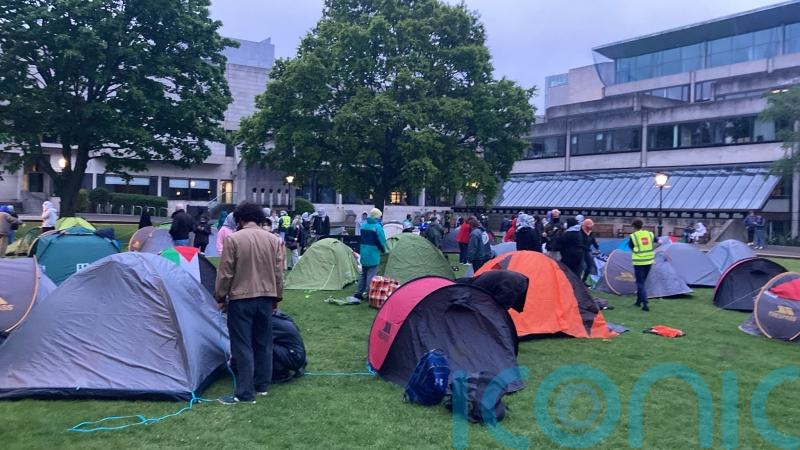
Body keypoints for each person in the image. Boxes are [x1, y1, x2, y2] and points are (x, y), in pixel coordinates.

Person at [215, 202, 285, 404]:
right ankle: (262, 384)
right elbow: (279, 273)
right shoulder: (274, 240)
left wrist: (220, 296)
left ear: (240, 219)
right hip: (266, 298)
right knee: (263, 342)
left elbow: (225, 273)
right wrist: (276, 297)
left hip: (240, 299)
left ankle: (245, 393)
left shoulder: (233, 240)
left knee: (242, 345)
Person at [353, 208, 387, 301]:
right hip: (373, 253)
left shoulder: (364, 225)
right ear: (377, 216)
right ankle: (369, 294)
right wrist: (384, 250)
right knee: (371, 276)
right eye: (380, 216)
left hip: (364, 252)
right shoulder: (377, 226)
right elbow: (381, 240)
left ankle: (358, 293)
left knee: (363, 274)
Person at [628, 219, 658, 312]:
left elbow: (631, 247)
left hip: (639, 262)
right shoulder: (649, 234)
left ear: (634, 227)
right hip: (649, 261)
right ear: (642, 225)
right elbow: (659, 241)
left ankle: (645, 303)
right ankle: (638, 301)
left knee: (640, 283)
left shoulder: (633, 236)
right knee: (642, 281)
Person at [580, 219, 600, 283]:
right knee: (580, 266)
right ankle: (577, 280)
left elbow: (593, 240)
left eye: (591, 226)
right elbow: (579, 243)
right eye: (589, 226)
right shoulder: (580, 232)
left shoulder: (591, 233)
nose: (590, 227)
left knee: (589, 265)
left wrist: (597, 247)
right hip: (580, 251)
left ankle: (583, 281)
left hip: (587, 251)